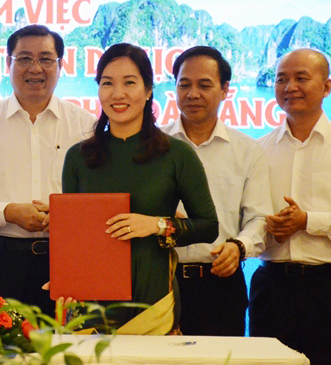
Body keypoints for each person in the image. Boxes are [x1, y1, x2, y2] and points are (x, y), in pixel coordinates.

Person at [62, 43, 218, 334]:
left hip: (153, 307)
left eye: (129, 83)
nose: (117, 94)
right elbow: (74, 239)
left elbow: (209, 227)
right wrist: (65, 278)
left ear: (148, 91)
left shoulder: (177, 154)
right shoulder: (78, 157)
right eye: (107, 83)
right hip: (90, 311)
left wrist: (156, 225)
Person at [0, 24, 97, 316]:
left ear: (61, 65)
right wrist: (9, 212)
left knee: (66, 353)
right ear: (8, 63)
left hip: (68, 259)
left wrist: (67, 215)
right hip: (2, 260)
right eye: (24, 59)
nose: (36, 68)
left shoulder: (85, 126)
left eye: (46, 59)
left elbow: (99, 200)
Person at [249, 48, 331, 365]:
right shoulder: (260, 149)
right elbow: (250, 218)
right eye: (281, 78)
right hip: (271, 289)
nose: (289, 87)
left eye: (301, 78)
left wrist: (307, 221)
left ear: (327, 86)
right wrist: (268, 229)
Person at [162, 46, 272, 336]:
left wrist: (239, 247)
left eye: (204, 85)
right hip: (160, 283)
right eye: (184, 84)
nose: (192, 93)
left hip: (221, 285)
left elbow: (260, 218)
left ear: (225, 90)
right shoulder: (152, 146)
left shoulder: (248, 150)